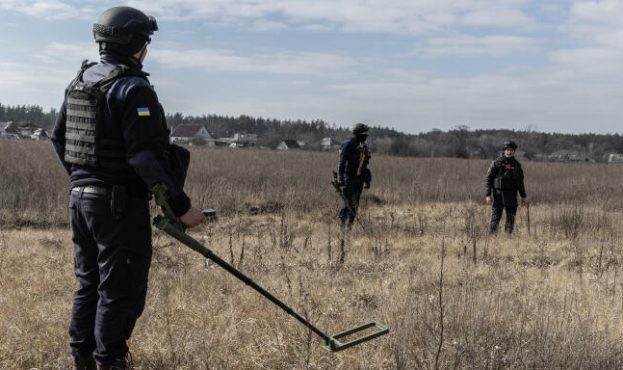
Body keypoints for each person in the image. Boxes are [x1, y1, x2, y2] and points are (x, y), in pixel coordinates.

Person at [50, 6, 205, 370]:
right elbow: (145, 159)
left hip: (80, 202)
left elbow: (58, 139)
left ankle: (83, 359)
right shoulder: (133, 88)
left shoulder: (81, 81)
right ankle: (110, 361)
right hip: (117, 205)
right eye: (146, 41)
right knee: (120, 290)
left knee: (89, 283)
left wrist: (82, 180)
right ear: (137, 43)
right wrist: (183, 208)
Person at [485, 140, 527, 234]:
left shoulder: (517, 165)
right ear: (504, 150)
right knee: (496, 217)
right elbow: (488, 179)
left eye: (511, 150)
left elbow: (520, 182)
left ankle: (508, 237)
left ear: (514, 151)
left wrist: (523, 196)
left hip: (511, 195)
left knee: (511, 217)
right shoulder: (496, 163)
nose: (509, 152)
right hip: (498, 195)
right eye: (507, 150)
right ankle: (492, 237)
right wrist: (488, 195)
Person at [336, 123, 372, 228]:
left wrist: (367, 180)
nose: (366, 136)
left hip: (359, 180)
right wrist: (340, 177)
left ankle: (350, 227)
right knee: (348, 204)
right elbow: (341, 162)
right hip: (348, 178)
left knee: (355, 204)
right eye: (364, 133)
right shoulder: (348, 144)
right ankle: (342, 226)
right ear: (358, 133)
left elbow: (364, 165)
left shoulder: (364, 147)